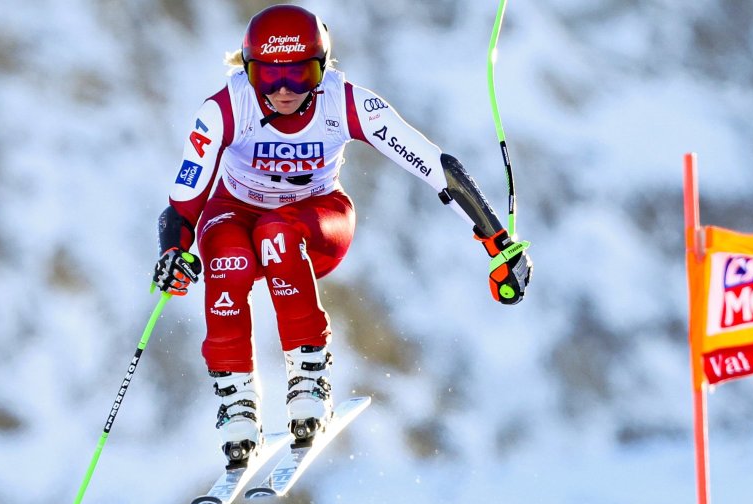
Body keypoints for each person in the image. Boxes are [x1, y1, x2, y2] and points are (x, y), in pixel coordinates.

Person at [152, 4, 533, 467]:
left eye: (301, 74)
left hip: (314, 219)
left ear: (323, 68)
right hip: (234, 213)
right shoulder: (226, 108)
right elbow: (183, 204)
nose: (284, 90)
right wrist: (172, 252)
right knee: (226, 256)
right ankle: (237, 404)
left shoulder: (344, 102)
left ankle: (309, 381)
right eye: (268, 77)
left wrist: (498, 243)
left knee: (276, 234)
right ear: (247, 69)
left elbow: (434, 166)